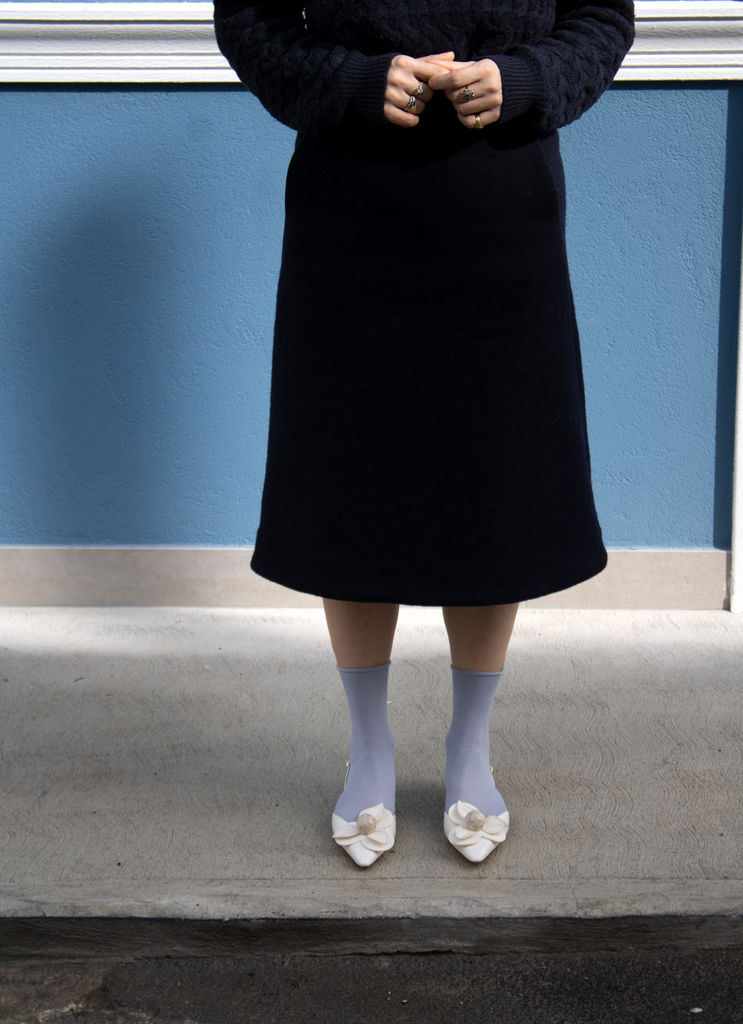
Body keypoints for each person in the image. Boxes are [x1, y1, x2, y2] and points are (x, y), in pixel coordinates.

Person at [214, 0, 635, 866]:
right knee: (353, 480)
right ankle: (368, 747)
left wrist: (524, 78)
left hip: (502, 207)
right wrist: (352, 80)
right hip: (350, 208)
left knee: (491, 481)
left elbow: (600, 15)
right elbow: (250, 18)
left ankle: (469, 746)